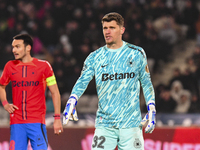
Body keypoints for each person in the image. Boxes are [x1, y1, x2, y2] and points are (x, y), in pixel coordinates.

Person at [63, 12, 156, 150]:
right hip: (105, 124)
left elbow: (146, 83)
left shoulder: (136, 53)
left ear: (122, 30)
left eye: (112, 27)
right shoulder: (95, 57)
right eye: (105, 28)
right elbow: (83, 80)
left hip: (131, 124)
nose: (107, 31)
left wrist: (152, 107)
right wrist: (72, 99)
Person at [0, 33, 63, 150]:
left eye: (17, 46)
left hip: (36, 122)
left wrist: (57, 118)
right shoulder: (10, 66)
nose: (14, 50)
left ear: (28, 48)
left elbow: (55, 93)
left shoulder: (44, 66)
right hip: (17, 122)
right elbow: (1, 86)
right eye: (13, 47)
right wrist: (5, 103)